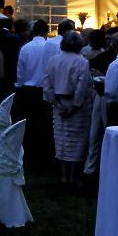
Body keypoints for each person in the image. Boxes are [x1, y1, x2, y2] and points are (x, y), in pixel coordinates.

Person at [43, 31, 94, 185]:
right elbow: (81, 88)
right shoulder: (82, 62)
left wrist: (56, 103)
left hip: (59, 103)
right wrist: (74, 106)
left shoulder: (53, 60)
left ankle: (64, 175)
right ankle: (73, 176)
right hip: (76, 106)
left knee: (62, 140)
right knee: (77, 141)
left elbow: (47, 84)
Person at [14, 19, 52, 169]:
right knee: (44, 126)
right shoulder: (49, 47)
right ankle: (43, 158)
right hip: (44, 90)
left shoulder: (26, 48)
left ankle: (29, 158)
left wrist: (21, 85)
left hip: (28, 91)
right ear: (45, 32)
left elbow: (20, 71)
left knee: (29, 126)